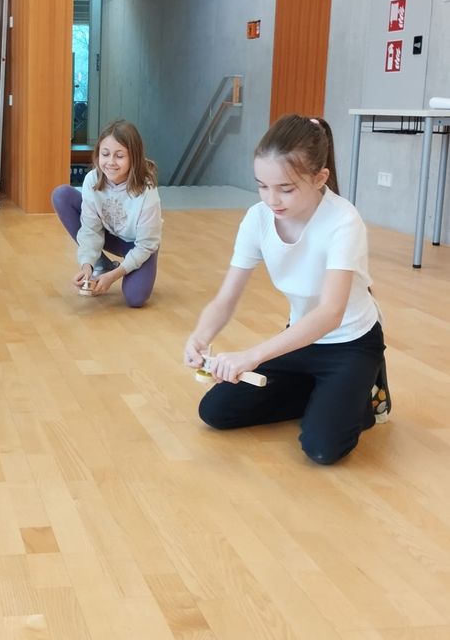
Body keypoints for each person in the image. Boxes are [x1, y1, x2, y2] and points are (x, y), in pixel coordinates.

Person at [184, 114, 387, 465]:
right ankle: (326, 393)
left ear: (319, 178)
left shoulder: (343, 220)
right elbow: (227, 297)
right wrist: (200, 337)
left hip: (350, 343)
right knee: (216, 411)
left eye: (285, 188)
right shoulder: (257, 218)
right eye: (262, 185)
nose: (271, 199)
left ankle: (360, 396)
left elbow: (329, 314)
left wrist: (252, 356)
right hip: (301, 339)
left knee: (322, 448)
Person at [52, 120, 162, 308]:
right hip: (108, 235)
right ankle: (101, 263)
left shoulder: (146, 189)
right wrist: (87, 265)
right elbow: (90, 229)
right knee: (62, 195)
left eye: (119, 156)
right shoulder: (92, 180)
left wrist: (112, 277)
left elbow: (146, 244)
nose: (110, 162)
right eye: (105, 154)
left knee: (135, 299)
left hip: (138, 245)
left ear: (133, 158)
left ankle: (115, 269)